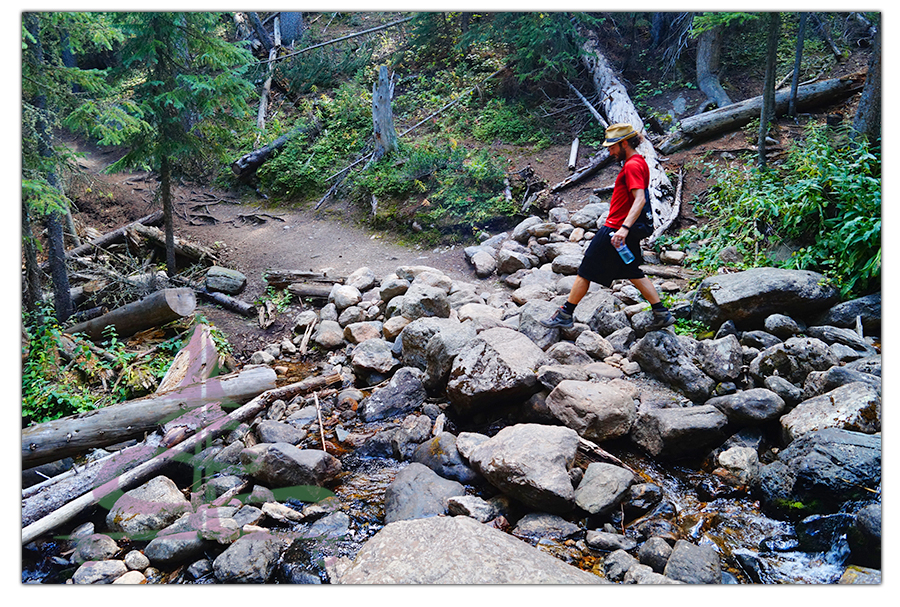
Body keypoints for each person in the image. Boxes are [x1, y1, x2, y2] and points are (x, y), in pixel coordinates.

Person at [541, 123, 675, 332]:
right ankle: (661, 313)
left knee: (585, 271)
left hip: (615, 229)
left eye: (612, 147)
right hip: (624, 229)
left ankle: (565, 314)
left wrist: (623, 228)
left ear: (623, 143)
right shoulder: (638, 162)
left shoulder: (631, 165)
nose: (610, 152)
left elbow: (639, 199)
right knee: (632, 270)